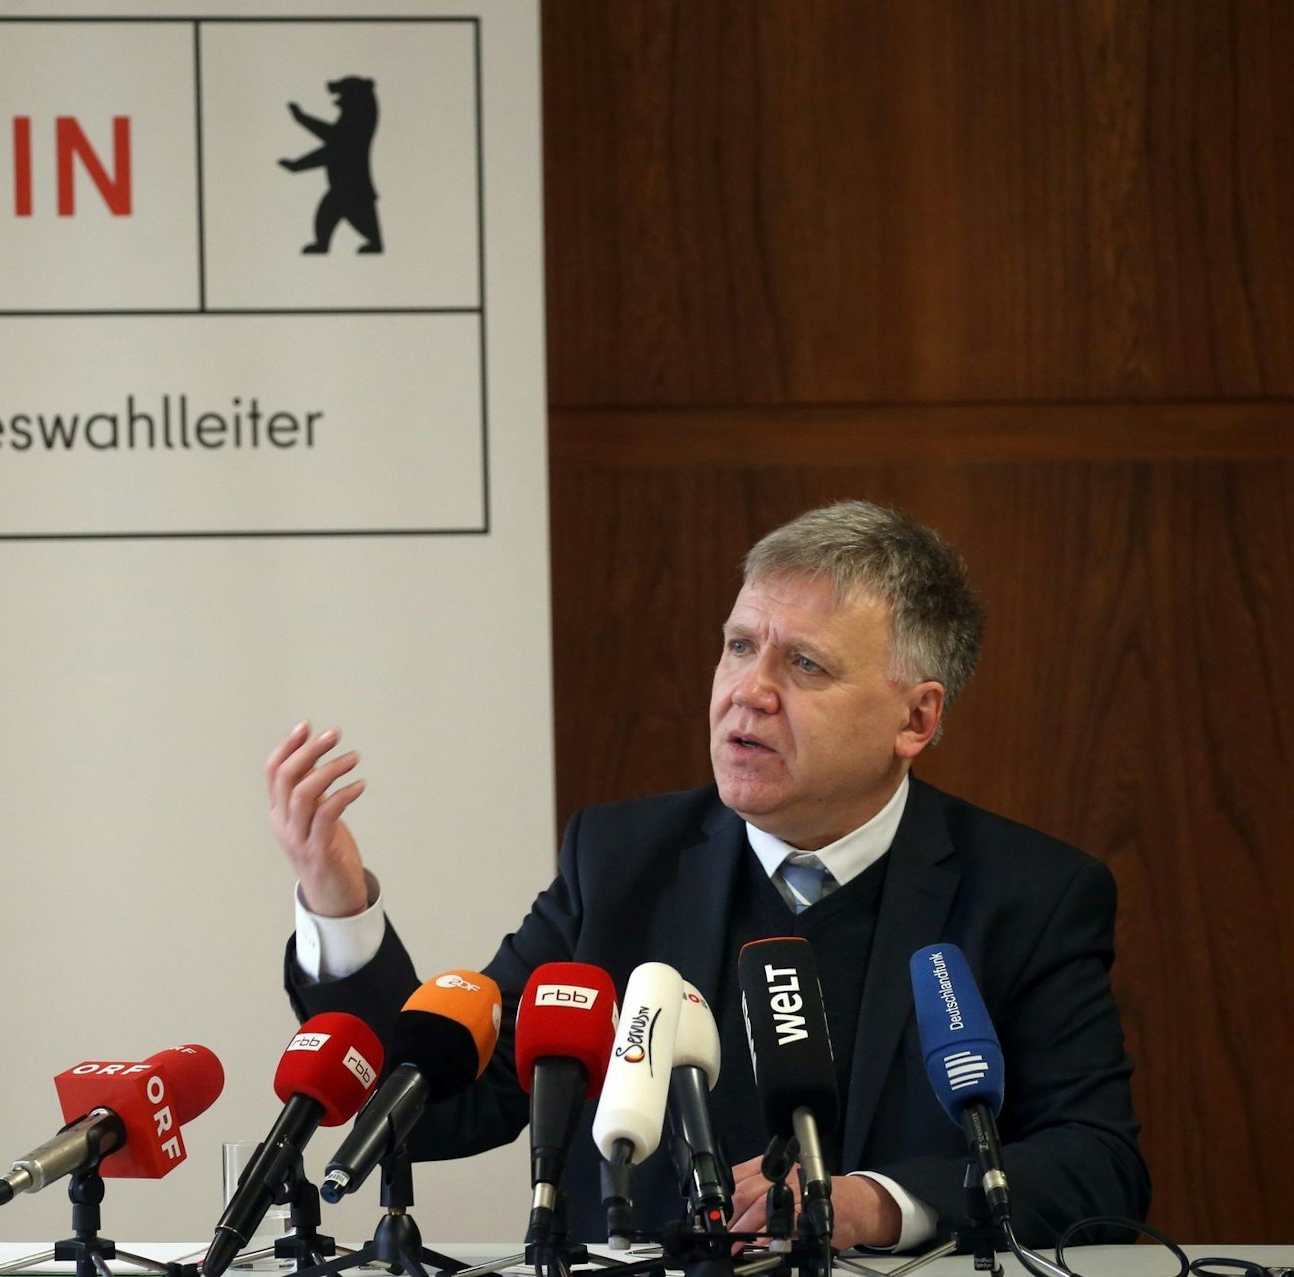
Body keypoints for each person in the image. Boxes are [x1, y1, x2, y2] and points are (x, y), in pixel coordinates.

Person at [266, 501, 1148, 1252]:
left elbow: (1097, 1163)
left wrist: (879, 1202)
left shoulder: (1030, 894)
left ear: (915, 717)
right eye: (738, 646)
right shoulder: (620, 860)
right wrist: (341, 911)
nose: (747, 691)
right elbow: (449, 1104)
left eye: (803, 663)